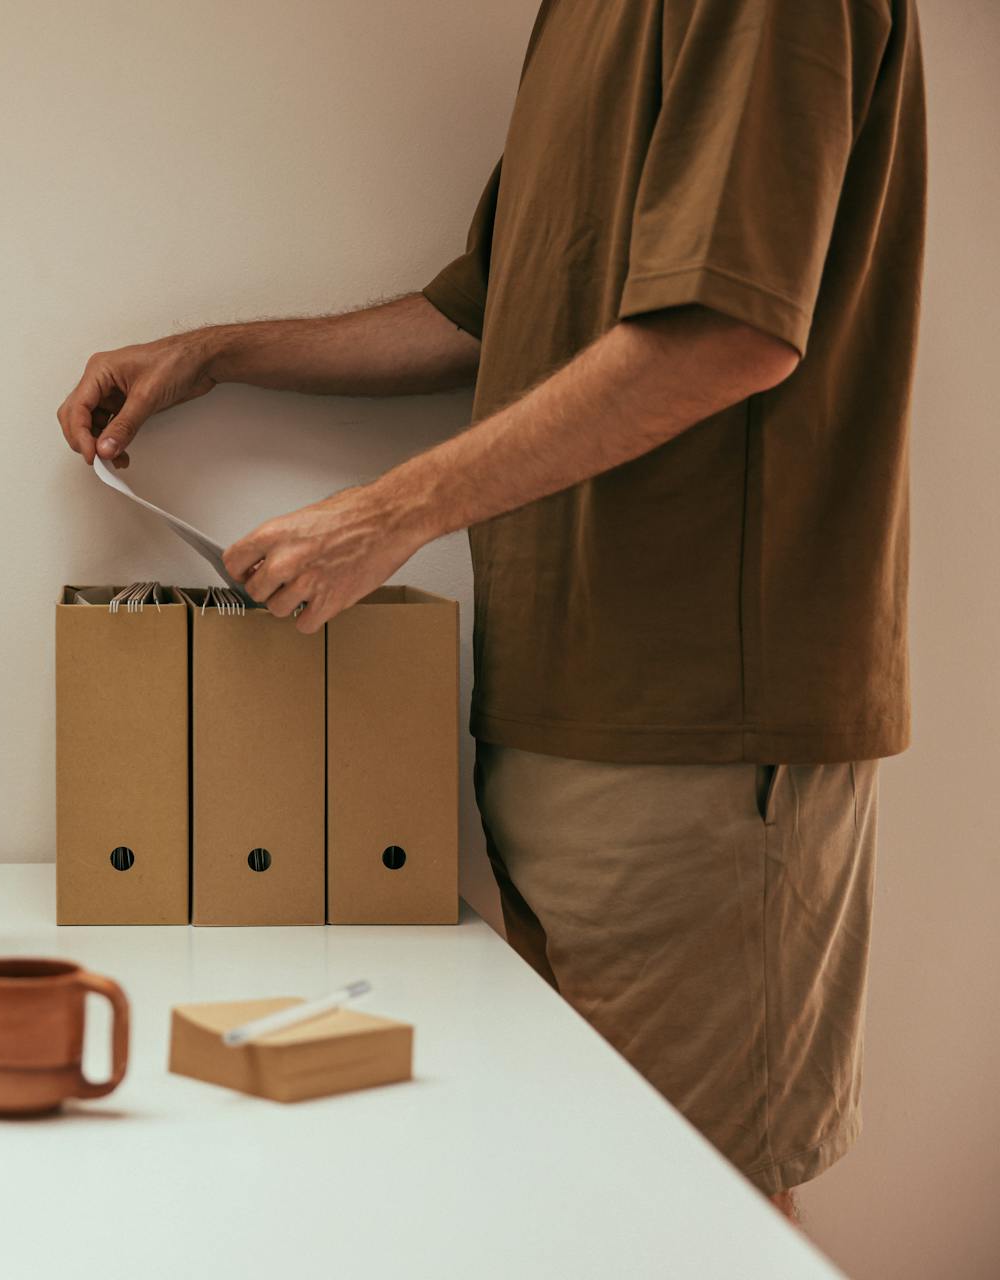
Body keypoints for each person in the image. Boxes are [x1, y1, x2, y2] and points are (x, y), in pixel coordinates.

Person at [56, 0, 924, 1222]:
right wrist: (217, 353)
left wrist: (384, 515)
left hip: (702, 731)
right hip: (557, 711)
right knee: (589, 1205)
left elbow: (728, 330)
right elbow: (491, 310)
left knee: (692, 1216)